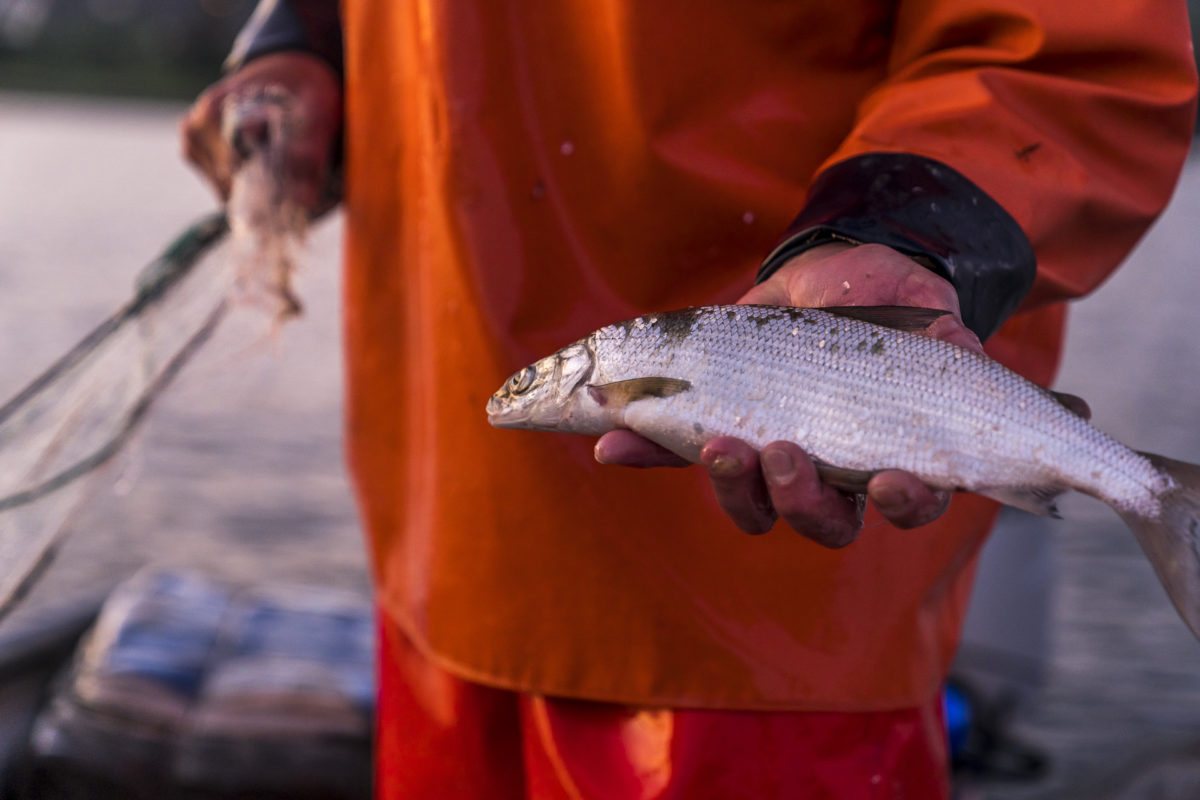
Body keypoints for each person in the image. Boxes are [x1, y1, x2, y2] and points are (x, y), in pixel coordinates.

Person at [183, 2, 1197, 797]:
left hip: (756, 633)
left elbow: (1066, 47)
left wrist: (902, 226)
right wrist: (305, 38)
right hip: (434, 536)